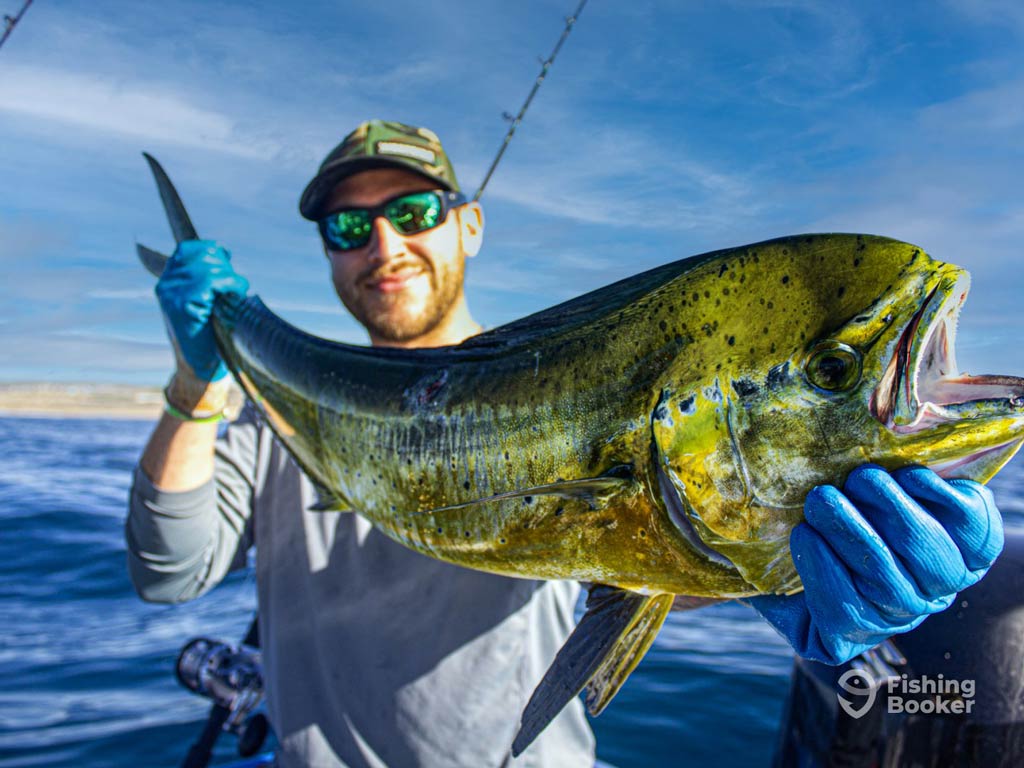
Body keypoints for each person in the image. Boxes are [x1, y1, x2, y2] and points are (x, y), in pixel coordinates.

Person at [125, 119, 1004, 767]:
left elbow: (619, 550)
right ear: (329, 254)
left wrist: (776, 570)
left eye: (415, 209)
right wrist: (200, 383)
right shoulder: (268, 422)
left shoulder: (587, 380)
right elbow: (167, 574)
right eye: (348, 228)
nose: (384, 244)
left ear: (468, 224)